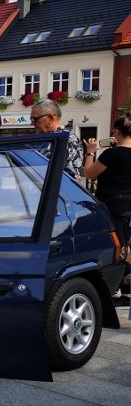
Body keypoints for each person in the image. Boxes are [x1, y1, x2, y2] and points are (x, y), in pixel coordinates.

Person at [84, 114, 131, 306]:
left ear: (117, 131)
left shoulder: (111, 154)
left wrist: (90, 151)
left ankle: (126, 294)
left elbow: (89, 173)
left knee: (121, 248)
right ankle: (125, 289)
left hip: (114, 204)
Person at [30, 99, 83, 179]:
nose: (32, 123)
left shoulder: (63, 139)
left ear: (51, 118)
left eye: (35, 119)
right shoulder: (56, 137)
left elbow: (64, 175)